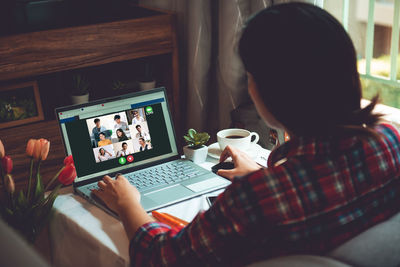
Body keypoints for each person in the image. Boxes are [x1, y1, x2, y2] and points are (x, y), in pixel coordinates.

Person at [92, 3, 400, 266]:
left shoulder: (255, 199)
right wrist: (260, 175)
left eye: (251, 77)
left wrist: (127, 203)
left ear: (277, 95)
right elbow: (330, 186)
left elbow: (163, 258)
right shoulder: (390, 142)